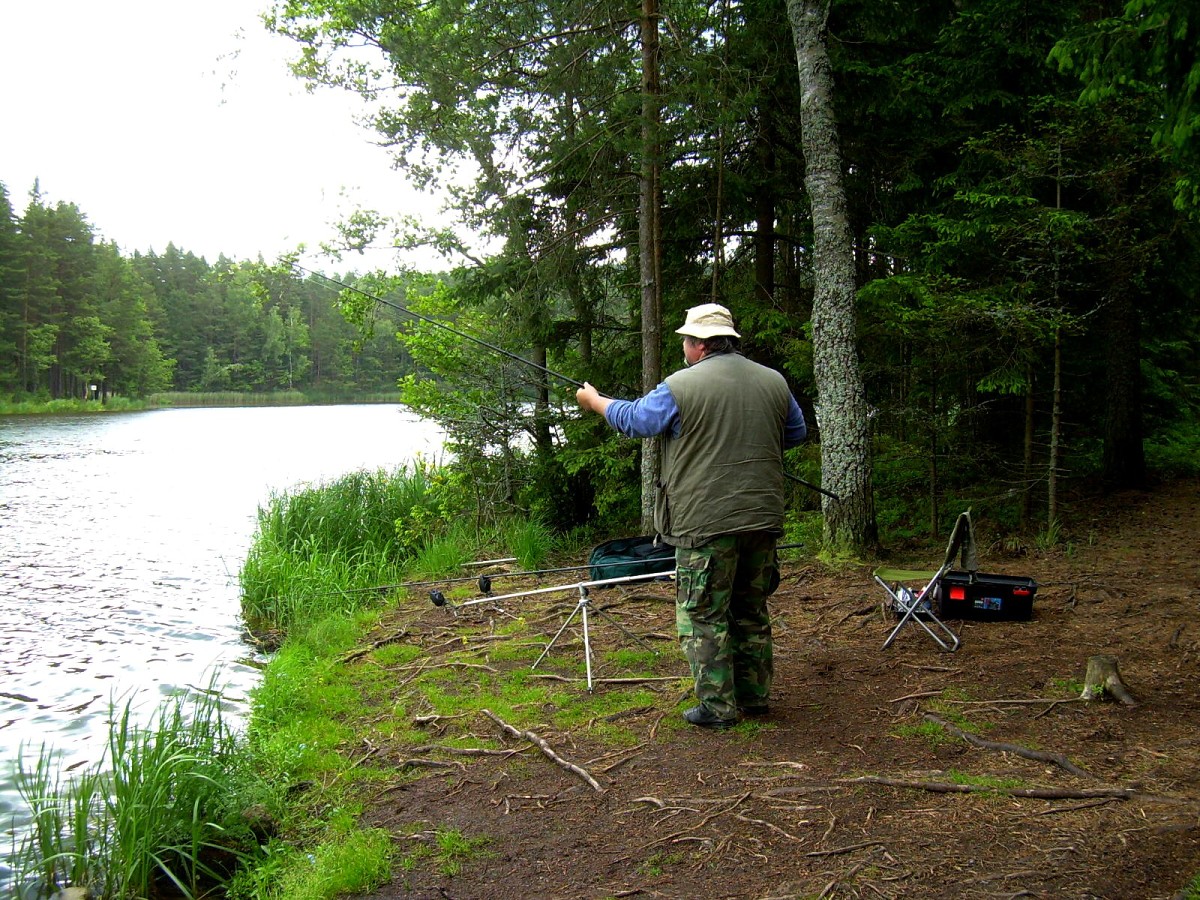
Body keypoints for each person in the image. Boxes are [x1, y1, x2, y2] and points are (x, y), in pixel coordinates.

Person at [576, 303, 807, 728]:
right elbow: (796, 432)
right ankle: (754, 696)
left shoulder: (680, 386)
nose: (684, 346)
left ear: (699, 344)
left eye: (686, 339)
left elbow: (637, 420)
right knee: (751, 608)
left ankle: (717, 708)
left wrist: (595, 401)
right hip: (762, 517)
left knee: (702, 614)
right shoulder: (774, 380)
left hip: (705, 522)